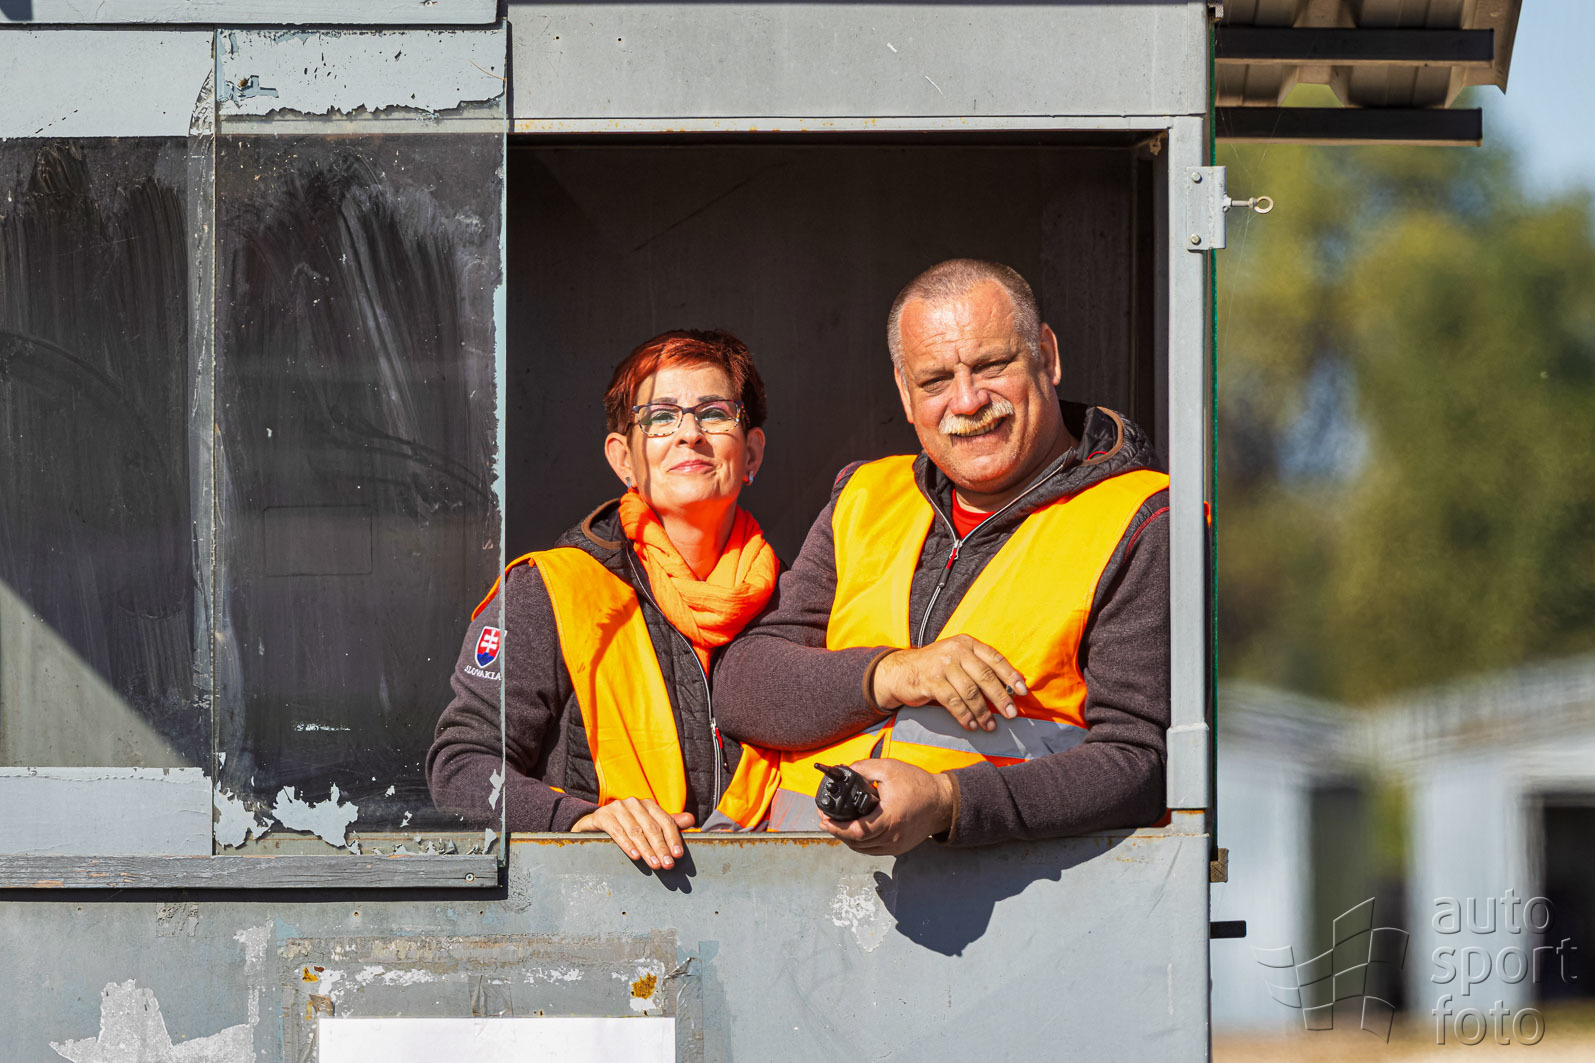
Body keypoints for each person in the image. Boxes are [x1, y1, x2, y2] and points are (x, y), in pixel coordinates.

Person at [713, 259, 1170, 855]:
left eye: (991, 365)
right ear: (905, 393)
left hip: (1011, 898)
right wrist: (894, 674)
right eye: (934, 381)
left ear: (1047, 356)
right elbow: (743, 686)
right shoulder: (863, 497)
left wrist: (948, 801)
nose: (968, 400)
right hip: (802, 889)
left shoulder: (1141, 518)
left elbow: (1141, 764)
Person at [428, 329, 781, 870]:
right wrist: (575, 821)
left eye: (713, 413)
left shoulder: (795, 600)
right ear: (624, 460)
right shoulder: (550, 591)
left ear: (751, 450)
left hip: (769, 891)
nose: (689, 434)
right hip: (597, 904)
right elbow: (460, 768)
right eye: (660, 417)